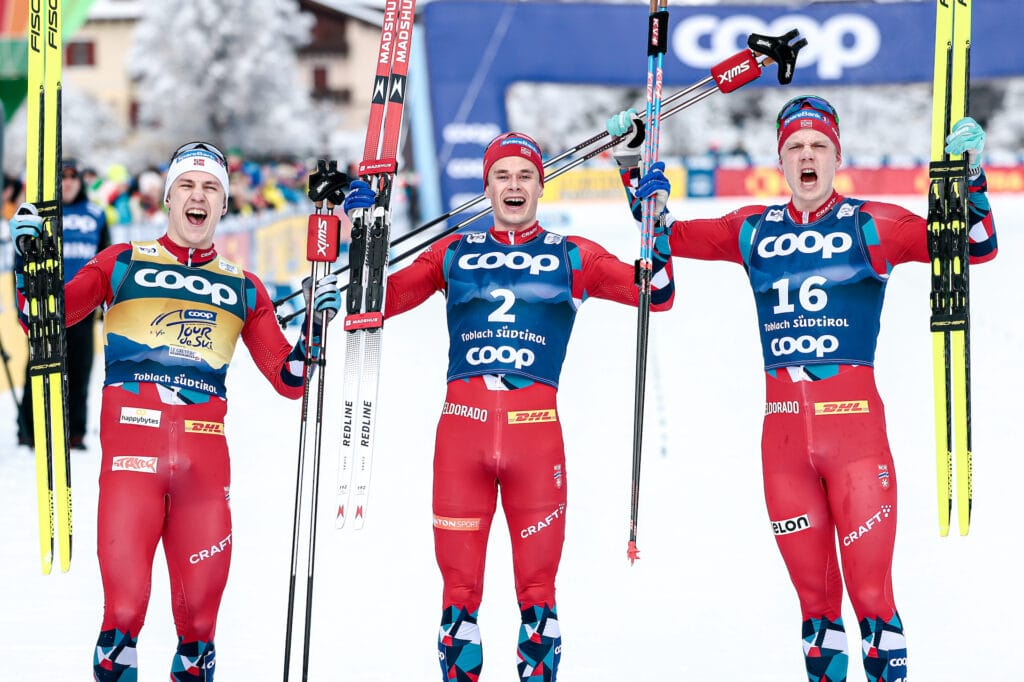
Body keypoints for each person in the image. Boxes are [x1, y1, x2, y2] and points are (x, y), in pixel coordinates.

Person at [606, 97, 997, 682]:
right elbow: (662, 236)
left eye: (818, 146)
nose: (806, 156)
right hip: (784, 447)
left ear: (837, 157)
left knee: (871, 598)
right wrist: (635, 169)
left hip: (857, 440)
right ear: (780, 161)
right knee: (816, 610)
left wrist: (969, 179)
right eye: (795, 148)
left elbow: (972, 248)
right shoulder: (752, 230)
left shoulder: (876, 224)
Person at [343, 132, 675, 682]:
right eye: (503, 175)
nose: (514, 185)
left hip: (535, 437)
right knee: (458, 598)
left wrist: (653, 214)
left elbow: (656, 291)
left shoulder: (574, 256)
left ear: (540, 187)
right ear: (488, 185)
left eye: (525, 176)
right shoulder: (453, 252)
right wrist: (361, 235)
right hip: (461, 438)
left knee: (538, 597)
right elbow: (374, 305)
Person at [9, 141, 342, 681]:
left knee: (199, 634)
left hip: (204, 483)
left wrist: (315, 332)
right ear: (167, 198)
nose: (198, 196)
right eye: (186, 185)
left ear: (224, 205)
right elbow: (46, 320)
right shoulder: (122, 263)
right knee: (120, 621)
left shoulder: (244, 287)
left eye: (210, 187)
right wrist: (29, 269)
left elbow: (289, 379)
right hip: (129, 473)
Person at [16, 158, 111, 449]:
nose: (68, 181)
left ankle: (76, 432)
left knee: (80, 368)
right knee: (39, 367)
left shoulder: (96, 214)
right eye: (63, 176)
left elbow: (106, 257)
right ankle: (29, 430)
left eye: (73, 176)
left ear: (81, 180)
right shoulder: (42, 214)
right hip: (46, 305)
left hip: (83, 306)